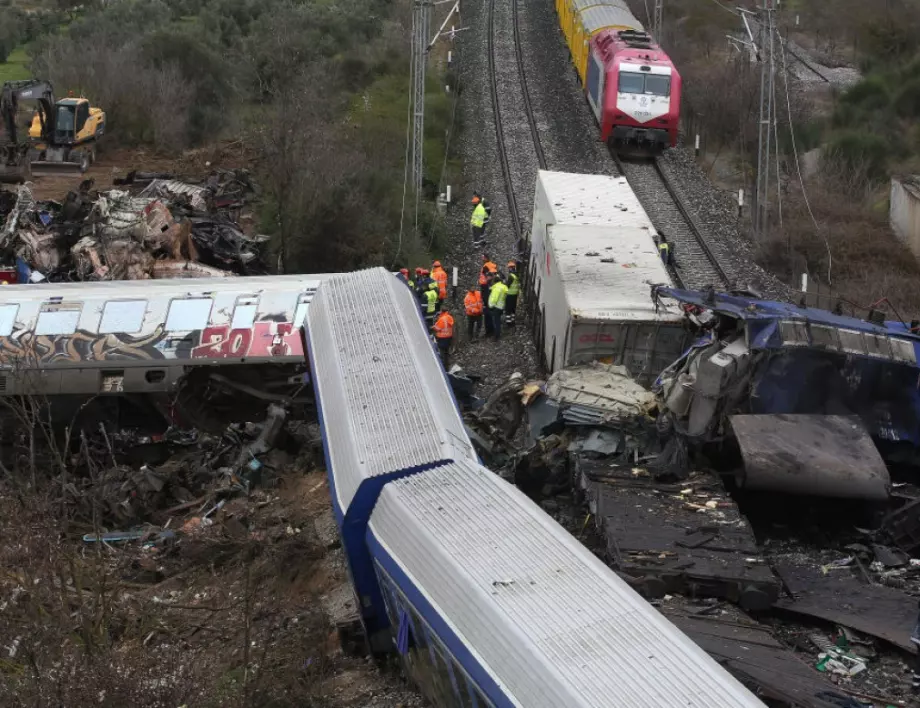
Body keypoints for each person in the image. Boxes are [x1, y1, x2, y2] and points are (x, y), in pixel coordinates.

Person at [432, 304, 455, 368]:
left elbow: (437, 328)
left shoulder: (442, 319)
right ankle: (447, 365)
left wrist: (434, 326)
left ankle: (443, 366)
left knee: (442, 353)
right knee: (447, 352)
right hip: (449, 337)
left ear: (442, 312)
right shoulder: (450, 317)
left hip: (442, 338)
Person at [488, 275, 508, 341]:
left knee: (496, 322)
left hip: (496, 307)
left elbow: (494, 299)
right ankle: (498, 333)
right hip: (501, 306)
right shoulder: (503, 287)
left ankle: (496, 336)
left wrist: (491, 306)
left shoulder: (496, 289)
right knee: (498, 321)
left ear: (495, 281)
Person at [504, 261, 520, 326]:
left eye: (509, 268)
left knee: (508, 309)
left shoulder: (511, 276)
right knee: (513, 308)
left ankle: (508, 322)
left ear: (510, 268)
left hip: (510, 295)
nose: (508, 269)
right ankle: (513, 321)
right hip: (515, 295)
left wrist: (504, 282)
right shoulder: (517, 275)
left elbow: (507, 286)